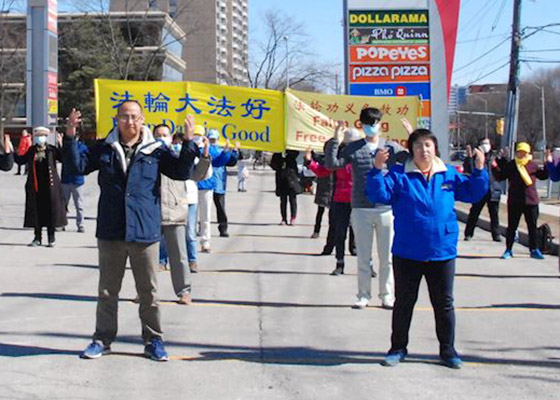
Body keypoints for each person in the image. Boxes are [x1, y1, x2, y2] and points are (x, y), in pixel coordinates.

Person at [63, 103, 198, 361]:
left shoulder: (156, 150)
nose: (129, 121)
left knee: (148, 292)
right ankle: (102, 339)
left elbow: (180, 172)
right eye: (124, 116)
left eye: (134, 117)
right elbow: (76, 167)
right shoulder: (105, 148)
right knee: (107, 291)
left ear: (142, 119)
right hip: (111, 229)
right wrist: (70, 135)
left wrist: (189, 142)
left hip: (144, 231)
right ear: (117, 119)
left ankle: (153, 341)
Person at [367, 128, 488, 369]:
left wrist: (480, 169)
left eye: (429, 145)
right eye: (419, 145)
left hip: (442, 251)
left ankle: (448, 350)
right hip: (408, 251)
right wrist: (377, 169)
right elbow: (377, 194)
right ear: (411, 150)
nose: (424, 150)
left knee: (444, 303)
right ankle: (398, 348)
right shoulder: (400, 175)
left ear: (435, 149)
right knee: (404, 303)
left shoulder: (448, 174)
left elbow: (474, 193)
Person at [325, 109, 406, 309]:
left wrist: (412, 135)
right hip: (360, 207)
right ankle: (363, 295)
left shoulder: (390, 147)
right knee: (363, 256)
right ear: (361, 125)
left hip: (385, 208)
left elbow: (411, 160)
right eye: (368, 122)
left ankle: (387, 294)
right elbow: (332, 164)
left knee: (386, 257)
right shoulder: (354, 148)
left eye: (375, 122)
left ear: (381, 123)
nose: (372, 125)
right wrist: (335, 138)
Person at [154, 124, 210, 305]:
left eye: (164, 135)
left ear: (171, 138)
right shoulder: (150, 157)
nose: (161, 138)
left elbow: (197, 175)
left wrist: (205, 156)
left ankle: (184, 291)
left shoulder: (179, 157)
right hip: (152, 211)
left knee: (179, 255)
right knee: (147, 257)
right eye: (157, 135)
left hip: (175, 210)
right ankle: (146, 291)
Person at [306, 129, 358, 275]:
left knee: (360, 233)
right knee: (339, 233)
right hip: (340, 200)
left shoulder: (363, 157)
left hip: (359, 200)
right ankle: (339, 264)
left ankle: (366, 264)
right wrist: (309, 162)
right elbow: (323, 170)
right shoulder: (339, 159)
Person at [493, 142, 548, 260]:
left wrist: (548, 164)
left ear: (528, 153)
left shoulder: (532, 165)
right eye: (519, 152)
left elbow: (543, 176)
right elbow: (500, 176)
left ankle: (534, 249)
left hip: (531, 201)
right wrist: (495, 165)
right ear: (516, 152)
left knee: (532, 226)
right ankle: (508, 249)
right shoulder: (512, 165)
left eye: (524, 152)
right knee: (512, 227)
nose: (522, 154)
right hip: (515, 201)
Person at [14, 126, 67, 247]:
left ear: (46, 137)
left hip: (50, 187)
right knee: (37, 212)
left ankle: (51, 237)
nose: (40, 138)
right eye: (38, 136)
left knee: (50, 212)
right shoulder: (32, 150)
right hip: (36, 186)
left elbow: (64, 158)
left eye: (42, 136)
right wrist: (12, 151)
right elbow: (21, 160)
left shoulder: (51, 150)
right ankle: (37, 237)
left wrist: (61, 144)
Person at [197, 128, 238, 251]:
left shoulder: (218, 150)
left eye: (214, 139)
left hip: (217, 183)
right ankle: (198, 232)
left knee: (217, 208)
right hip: (200, 184)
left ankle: (222, 229)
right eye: (210, 139)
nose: (212, 141)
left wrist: (232, 151)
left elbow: (229, 161)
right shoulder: (199, 149)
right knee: (198, 212)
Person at [463, 138, 503, 242]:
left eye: (487, 143)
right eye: (483, 143)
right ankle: (468, 234)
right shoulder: (475, 157)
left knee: (494, 214)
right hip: (480, 189)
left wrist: (501, 161)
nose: (486, 145)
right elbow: (470, 171)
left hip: (493, 189)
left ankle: (496, 234)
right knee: (474, 213)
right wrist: (469, 158)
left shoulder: (494, 157)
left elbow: (501, 173)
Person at [60, 131, 88, 233]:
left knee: (79, 204)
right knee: (63, 204)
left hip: (77, 180)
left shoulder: (82, 147)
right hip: (66, 179)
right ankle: (62, 223)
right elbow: (61, 157)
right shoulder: (65, 147)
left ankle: (80, 224)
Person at [270, 150, 301, 225]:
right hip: (281, 179)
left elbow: (296, 154)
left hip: (291, 178)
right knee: (283, 200)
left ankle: (293, 218)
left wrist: (287, 152)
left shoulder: (292, 152)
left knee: (292, 200)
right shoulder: (277, 152)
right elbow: (273, 165)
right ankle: (283, 218)